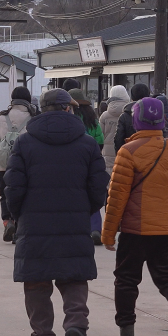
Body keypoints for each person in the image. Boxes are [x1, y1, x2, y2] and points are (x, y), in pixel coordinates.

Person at [4, 89, 109, 336]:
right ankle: (75, 325)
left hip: (34, 223)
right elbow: (98, 188)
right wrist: (86, 211)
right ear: (67, 109)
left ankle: (42, 331)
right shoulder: (87, 143)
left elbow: (13, 187)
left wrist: (20, 215)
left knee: (36, 281)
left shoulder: (25, 142)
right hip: (74, 222)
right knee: (73, 277)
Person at [102, 98, 168, 336]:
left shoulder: (128, 151)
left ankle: (127, 329)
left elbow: (116, 198)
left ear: (136, 121)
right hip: (167, 230)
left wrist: (108, 234)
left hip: (135, 231)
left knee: (126, 281)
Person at [0, 86, 36, 242]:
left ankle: (8, 221)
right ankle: (20, 226)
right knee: (25, 194)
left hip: (5, 163)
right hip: (27, 164)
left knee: (5, 193)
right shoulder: (34, 118)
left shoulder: (1, 117)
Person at [69, 88, 106, 246]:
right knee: (93, 193)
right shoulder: (92, 117)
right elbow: (100, 138)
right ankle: (96, 228)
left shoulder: (71, 116)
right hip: (92, 157)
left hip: (74, 158)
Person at [113, 83, 150, 154]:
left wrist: (120, 154)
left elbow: (119, 139)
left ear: (132, 97)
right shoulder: (153, 113)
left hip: (130, 153)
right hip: (151, 154)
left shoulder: (125, 116)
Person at [100, 85, 130, 172]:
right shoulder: (129, 113)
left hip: (107, 153)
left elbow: (101, 136)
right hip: (126, 150)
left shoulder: (104, 115)